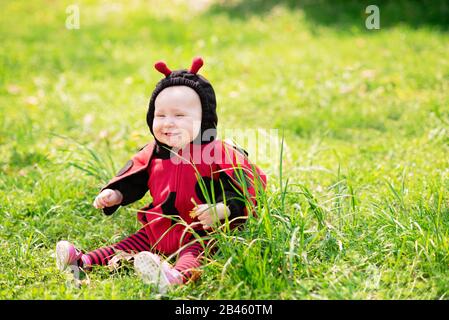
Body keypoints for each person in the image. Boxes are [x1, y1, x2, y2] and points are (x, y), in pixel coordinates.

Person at [56, 57, 267, 292]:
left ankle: (175, 276)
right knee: (132, 242)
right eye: (161, 115)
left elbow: (246, 185)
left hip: (198, 231)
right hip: (159, 227)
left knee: (196, 252)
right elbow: (134, 176)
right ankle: (82, 261)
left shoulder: (217, 153)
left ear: (204, 118)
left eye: (179, 116)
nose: (169, 123)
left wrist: (225, 208)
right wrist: (115, 193)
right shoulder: (153, 153)